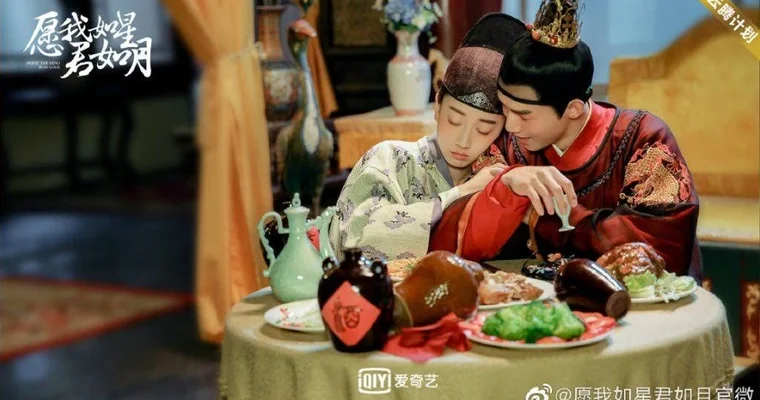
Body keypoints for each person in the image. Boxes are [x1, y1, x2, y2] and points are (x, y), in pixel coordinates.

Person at [430, 0, 702, 279]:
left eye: (523, 114)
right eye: (505, 107)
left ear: (572, 109)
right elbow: (451, 238)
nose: (510, 124)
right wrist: (505, 188)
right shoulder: (506, 142)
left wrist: (543, 216)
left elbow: (662, 247)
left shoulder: (642, 139)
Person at [329, 13, 526, 261]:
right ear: (437, 106)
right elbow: (354, 243)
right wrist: (460, 193)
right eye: (454, 120)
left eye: (484, 129)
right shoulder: (389, 158)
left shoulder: (495, 176)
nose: (464, 141)